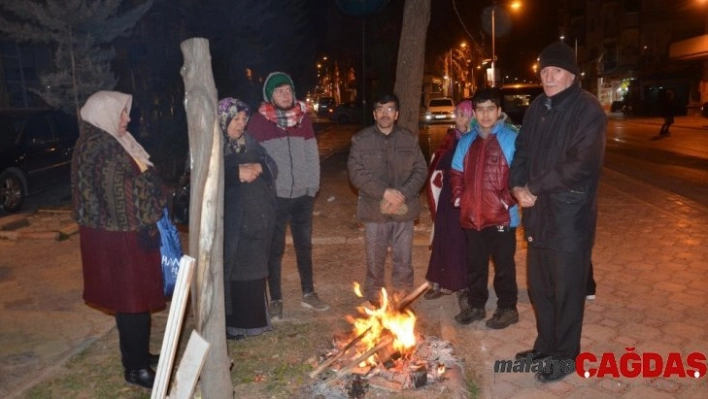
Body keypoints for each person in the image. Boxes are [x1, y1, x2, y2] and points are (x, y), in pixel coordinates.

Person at [509, 42, 606, 382]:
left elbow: (580, 164)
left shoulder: (588, 110)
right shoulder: (538, 107)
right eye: (544, 71)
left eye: (555, 71)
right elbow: (520, 151)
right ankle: (545, 346)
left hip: (569, 218)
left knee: (566, 291)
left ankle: (564, 357)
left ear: (572, 75)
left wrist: (533, 187)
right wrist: (517, 186)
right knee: (540, 287)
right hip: (537, 215)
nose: (547, 77)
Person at [71, 91, 166, 389]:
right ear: (104, 113)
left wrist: (148, 182)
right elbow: (126, 195)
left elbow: (138, 179)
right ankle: (134, 369)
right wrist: (153, 187)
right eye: (121, 113)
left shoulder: (112, 141)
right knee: (131, 300)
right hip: (116, 238)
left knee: (135, 301)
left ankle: (139, 354)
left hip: (125, 233)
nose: (127, 118)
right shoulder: (99, 147)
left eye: (126, 112)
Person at [247, 72, 329, 318]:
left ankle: (308, 293)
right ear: (270, 96)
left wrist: (312, 186)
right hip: (276, 196)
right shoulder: (258, 122)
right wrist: (265, 190)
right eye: (279, 90)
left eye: (288, 90)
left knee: (304, 245)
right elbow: (253, 159)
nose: (285, 94)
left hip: (303, 195)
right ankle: (276, 299)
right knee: (275, 248)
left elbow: (312, 155)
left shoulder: (303, 120)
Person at [449, 88, 520, 329]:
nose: (486, 115)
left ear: (499, 111)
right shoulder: (467, 141)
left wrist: (505, 200)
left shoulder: (511, 138)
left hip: (502, 219)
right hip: (472, 216)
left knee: (503, 265)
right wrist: (460, 198)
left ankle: (508, 307)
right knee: (475, 264)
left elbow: (520, 175)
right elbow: (456, 172)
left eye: (490, 109)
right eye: (480, 110)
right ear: (474, 114)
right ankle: (477, 305)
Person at [347, 93, 428, 306]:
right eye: (380, 110)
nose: (385, 114)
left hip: (404, 210)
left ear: (397, 114)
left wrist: (404, 193)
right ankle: (375, 302)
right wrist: (384, 192)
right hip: (374, 211)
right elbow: (356, 173)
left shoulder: (408, 139)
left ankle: (401, 302)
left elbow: (421, 169)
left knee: (403, 261)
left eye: (390, 109)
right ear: (374, 114)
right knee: (375, 261)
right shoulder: (361, 140)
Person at [219, 97, 278, 340]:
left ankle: (255, 322)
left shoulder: (251, 142)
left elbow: (272, 166)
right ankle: (232, 326)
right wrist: (234, 173)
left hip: (256, 221)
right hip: (230, 226)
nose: (240, 124)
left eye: (244, 119)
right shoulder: (212, 145)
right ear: (223, 119)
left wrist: (260, 167)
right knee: (234, 271)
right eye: (235, 119)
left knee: (254, 270)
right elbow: (199, 180)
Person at [423, 101, 474, 311]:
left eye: (463, 116)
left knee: (460, 243)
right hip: (447, 196)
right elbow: (441, 163)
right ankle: (439, 281)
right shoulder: (451, 138)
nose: (458, 120)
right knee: (442, 238)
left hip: (466, 197)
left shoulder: (475, 140)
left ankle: (461, 286)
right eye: (458, 115)